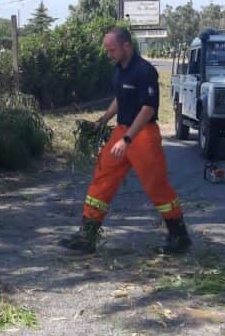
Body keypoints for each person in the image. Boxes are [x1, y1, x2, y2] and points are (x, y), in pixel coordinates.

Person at [61, 27, 191, 255]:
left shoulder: (145, 71)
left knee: (156, 186)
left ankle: (178, 235)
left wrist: (128, 138)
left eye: (111, 49)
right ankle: (87, 235)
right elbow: (120, 99)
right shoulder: (118, 71)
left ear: (126, 46)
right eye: (107, 49)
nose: (108, 54)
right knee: (102, 177)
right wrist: (102, 121)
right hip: (121, 132)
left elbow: (148, 109)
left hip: (142, 135)